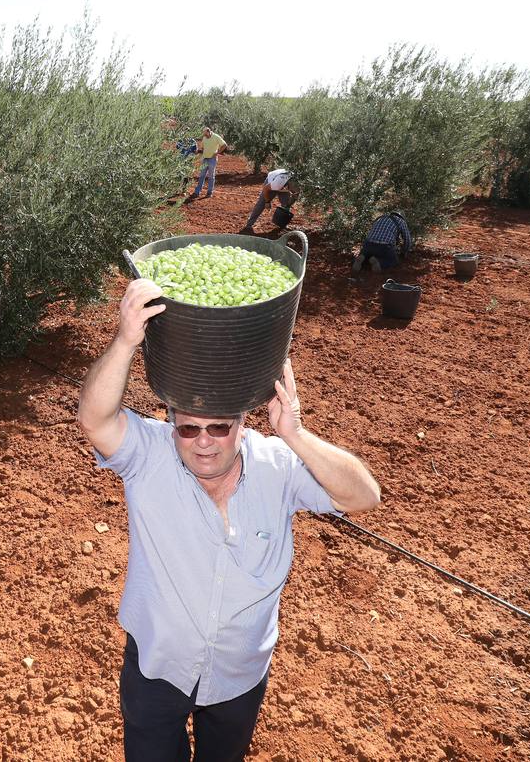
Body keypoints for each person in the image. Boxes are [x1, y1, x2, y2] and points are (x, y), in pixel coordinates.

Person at [77, 279, 381, 761]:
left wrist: (296, 435)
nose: (203, 440)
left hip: (239, 676)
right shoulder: (149, 456)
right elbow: (94, 419)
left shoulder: (279, 467)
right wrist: (125, 340)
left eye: (220, 426)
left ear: (244, 421)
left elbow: (364, 496)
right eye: (189, 427)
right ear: (170, 421)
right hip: (159, 668)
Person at [351, 210, 413, 275]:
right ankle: (379, 262)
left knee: (367, 256)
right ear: (402, 217)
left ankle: (361, 258)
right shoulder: (401, 221)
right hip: (384, 246)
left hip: (368, 244)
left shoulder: (381, 218)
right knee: (393, 261)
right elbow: (407, 240)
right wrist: (403, 252)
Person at [239, 168, 297, 234]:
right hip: (272, 181)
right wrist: (267, 202)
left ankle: (282, 224)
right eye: (293, 190)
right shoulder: (278, 183)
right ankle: (249, 225)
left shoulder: (298, 184)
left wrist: (288, 205)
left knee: (286, 204)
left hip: (284, 185)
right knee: (261, 204)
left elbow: (295, 196)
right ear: (290, 184)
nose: (293, 192)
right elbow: (265, 189)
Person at [186, 126, 227, 203]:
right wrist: (197, 152)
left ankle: (209, 192)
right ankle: (197, 192)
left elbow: (224, 145)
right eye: (204, 134)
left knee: (211, 176)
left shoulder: (216, 137)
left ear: (209, 132)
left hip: (212, 159)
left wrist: (217, 152)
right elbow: (202, 148)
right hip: (205, 159)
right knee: (201, 175)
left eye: (205, 134)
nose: (204, 135)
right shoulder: (204, 138)